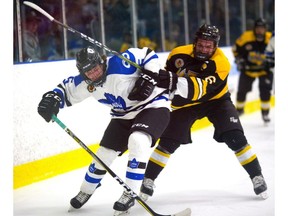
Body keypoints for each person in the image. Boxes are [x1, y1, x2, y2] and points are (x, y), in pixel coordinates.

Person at [37, 46, 178, 215]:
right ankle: (86, 190)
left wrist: (150, 76)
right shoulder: (86, 82)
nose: (93, 74)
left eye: (95, 68)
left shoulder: (120, 62)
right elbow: (65, 90)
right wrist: (52, 98)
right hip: (122, 115)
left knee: (138, 140)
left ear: (101, 62)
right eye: (88, 72)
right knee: (104, 154)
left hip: (153, 106)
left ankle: (130, 192)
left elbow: (147, 54)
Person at [138, 24, 268, 202]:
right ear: (195, 42)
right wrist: (152, 77)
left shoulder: (221, 62)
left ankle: (256, 176)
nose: (204, 49)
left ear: (215, 46)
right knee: (168, 142)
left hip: (216, 101)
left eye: (209, 46)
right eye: (201, 45)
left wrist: (170, 80)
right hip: (186, 105)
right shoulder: (178, 54)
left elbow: (200, 89)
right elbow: (166, 83)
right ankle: (148, 180)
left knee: (235, 137)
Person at [232, 18, 273, 123]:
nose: (260, 31)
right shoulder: (246, 36)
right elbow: (235, 49)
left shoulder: (270, 38)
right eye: (258, 28)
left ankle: (265, 113)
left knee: (265, 91)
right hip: (248, 70)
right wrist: (239, 60)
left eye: (262, 28)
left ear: (265, 29)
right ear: (254, 29)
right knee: (242, 91)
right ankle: (239, 110)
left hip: (265, 71)